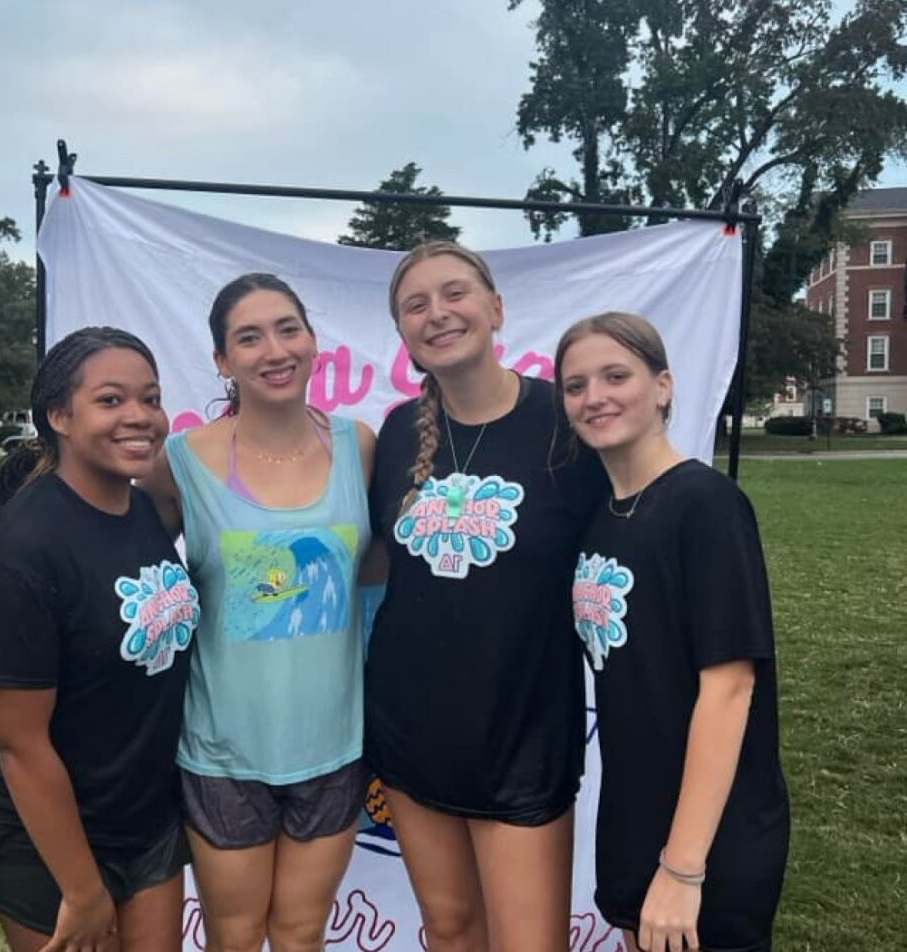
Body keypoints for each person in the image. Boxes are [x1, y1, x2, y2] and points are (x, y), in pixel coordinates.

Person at [365, 241, 606, 951]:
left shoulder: (566, 425)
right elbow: (374, 562)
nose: (438, 313)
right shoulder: (399, 431)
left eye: (455, 294)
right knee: (450, 930)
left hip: (524, 734)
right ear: (403, 332)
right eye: (416, 304)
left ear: (496, 309)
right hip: (410, 732)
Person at [0, 327, 201, 952]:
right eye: (111, 400)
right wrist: (82, 890)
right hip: (42, 840)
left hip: (142, 817)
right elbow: (18, 745)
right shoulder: (23, 552)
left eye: (151, 397)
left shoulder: (140, 510)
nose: (140, 416)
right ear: (59, 416)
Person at [141, 273, 374, 952]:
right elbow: (143, 581)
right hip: (223, 757)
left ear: (311, 342)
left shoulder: (358, 447)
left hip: (333, 749)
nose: (274, 350)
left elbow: (381, 573)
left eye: (288, 329)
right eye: (249, 337)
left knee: (302, 934)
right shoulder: (179, 463)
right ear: (222, 360)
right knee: (235, 938)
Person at [557, 312, 790, 952]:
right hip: (636, 813)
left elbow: (730, 690)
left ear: (662, 386)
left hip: (711, 833)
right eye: (575, 386)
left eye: (615, 376)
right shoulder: (604, 516)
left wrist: (683, 868)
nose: (594, 396)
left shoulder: (705, 505)